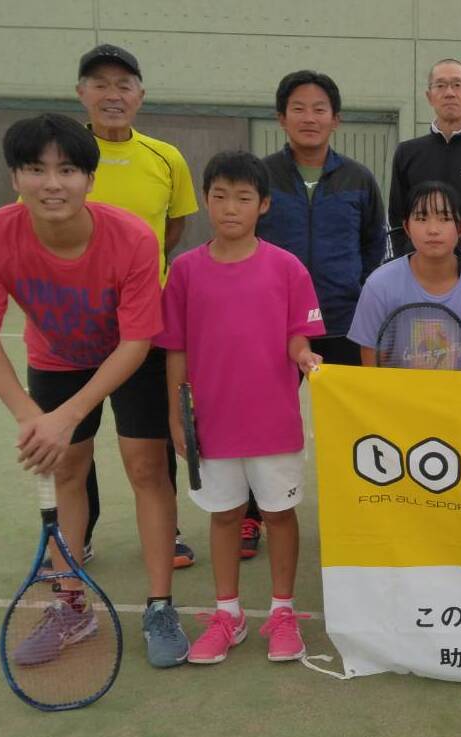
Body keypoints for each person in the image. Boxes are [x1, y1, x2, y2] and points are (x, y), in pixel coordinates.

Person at [0, 113, 189, 668]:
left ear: (90, 179)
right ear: (15, 177)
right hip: (56, 359)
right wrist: (31, 416)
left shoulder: (132, 237)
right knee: (66, 468)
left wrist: (66, 416)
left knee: (147, 468)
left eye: (67, 170)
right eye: (35, 169)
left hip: (133, 357)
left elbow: (136, 342)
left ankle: (160, 606)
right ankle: (71, 606)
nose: (52, 183)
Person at [155, 151, 324, 665]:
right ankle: (227, 614)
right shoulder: (185, 271)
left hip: (274, 423)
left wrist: (303, 355)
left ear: (263, 204)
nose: (231, 207)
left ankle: (282, 612)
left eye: (244, 198)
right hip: (212, 424)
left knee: (278, 515)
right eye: (220, 196)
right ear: (205, 200)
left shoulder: (288, 268)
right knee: (225, 515)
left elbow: (298, 335)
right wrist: (176, 415)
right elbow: (176, 350)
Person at [75, 44, 200, 568]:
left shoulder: (166, 158)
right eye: (100, 84)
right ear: (81, 93)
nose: (112, 95)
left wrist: (140, 275)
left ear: (140, 95)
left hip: (146, 326)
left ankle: (166, 532)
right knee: (73, 444)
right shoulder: (63, 156)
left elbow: (172, 226)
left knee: (151, 445)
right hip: (75, 329)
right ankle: (78, 535)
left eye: (123, 85)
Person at [253, 69, 387, 554]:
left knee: (349, 425)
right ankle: (251, 514)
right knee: (262, 424)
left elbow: (373, 244)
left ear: (336, 119)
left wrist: (354, 288)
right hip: (274, 324)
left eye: (319, 109)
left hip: (343, 322)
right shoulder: (262, 176)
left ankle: (354, 508)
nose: (309, 118)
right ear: (281, 118)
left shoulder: (358, 178)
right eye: (298, 109)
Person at [351, 182, 461, 370]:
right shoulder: (378, 286)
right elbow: (372, 367)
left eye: (445, 218)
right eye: (421, 218)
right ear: (407, 227)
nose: (433, 229)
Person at [387, 59, 461, 258]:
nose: (449, 93)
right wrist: (407, 257)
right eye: (441, 85)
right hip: (418, 267)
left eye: (457, 84)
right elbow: (397, 218)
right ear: (429, 96)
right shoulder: (406, 153)